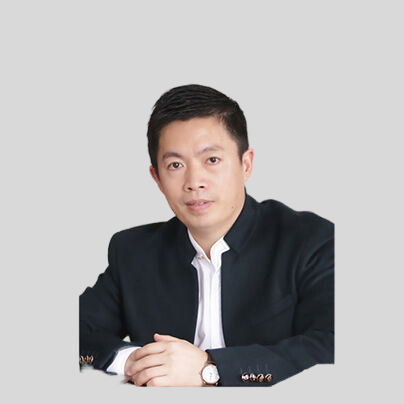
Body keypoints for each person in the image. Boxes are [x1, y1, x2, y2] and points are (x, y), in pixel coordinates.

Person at [79, 84, 334, 387]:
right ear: (157, 178)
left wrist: (211, 369)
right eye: (175, 165)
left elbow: (332, 347)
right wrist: (133, 361)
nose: (194, 181)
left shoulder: (310, 241)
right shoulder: (134, 252)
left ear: (245, 164)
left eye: (211, 160)